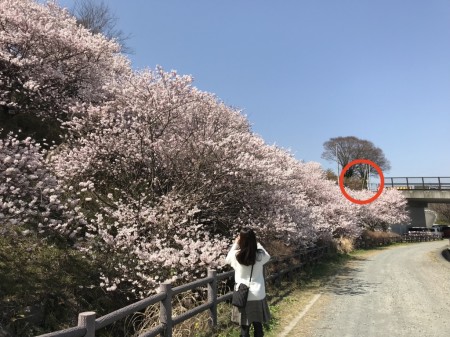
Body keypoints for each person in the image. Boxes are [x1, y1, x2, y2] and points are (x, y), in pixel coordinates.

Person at [225, 227, 271, 337]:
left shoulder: (236, 255)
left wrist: (236, 244)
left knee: (245, 327)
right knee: (258, 325)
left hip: (243, 295)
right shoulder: (259, 255)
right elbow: (268, 256)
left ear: (241, 239)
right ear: (253, 239)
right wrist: (257, 243)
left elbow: (227, 259)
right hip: (258, 294)